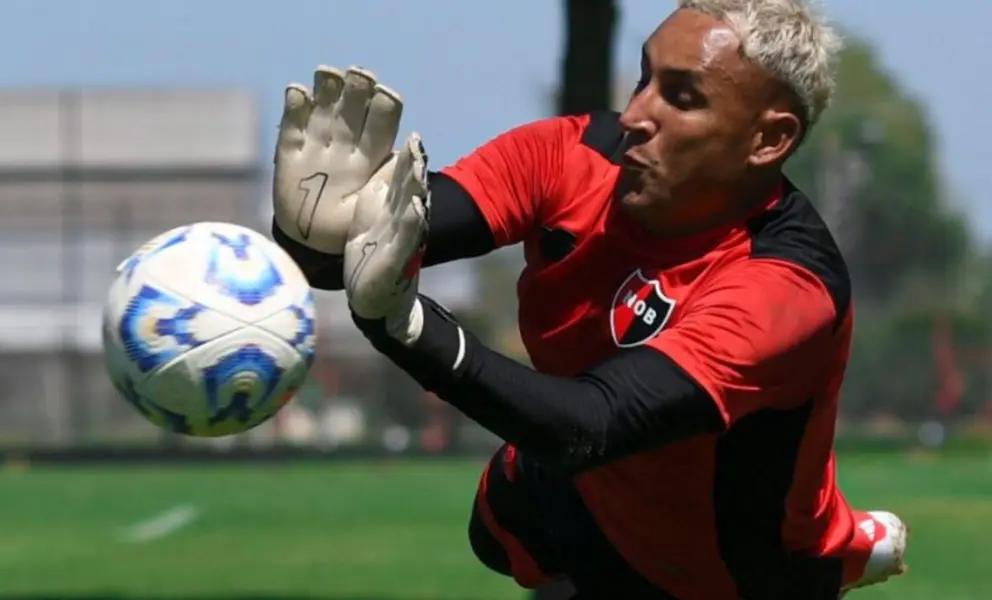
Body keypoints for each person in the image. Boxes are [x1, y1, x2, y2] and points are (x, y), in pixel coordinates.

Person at [270, 1, 907, 597]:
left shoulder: (788, 284)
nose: (635, 114)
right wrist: (312, 230)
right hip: (589, 505)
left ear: (768, 141)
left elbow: (589, 426)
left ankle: (843, 542)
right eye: (644, 78)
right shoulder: (573, 154)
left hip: (735, 573)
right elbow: (365, 247)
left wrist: (407, 326)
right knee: (504, 516)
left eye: (682, 97)